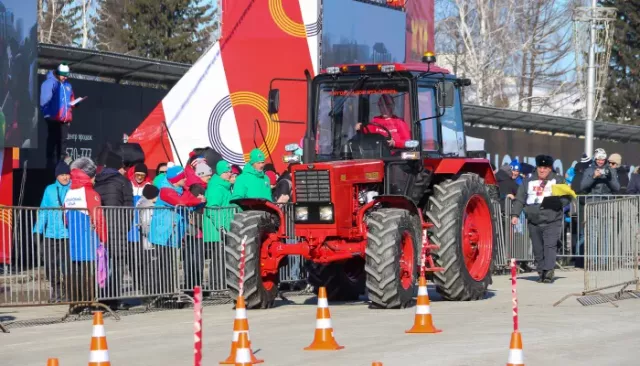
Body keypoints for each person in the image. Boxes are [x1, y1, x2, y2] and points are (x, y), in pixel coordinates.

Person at [511, 155, 571, 284]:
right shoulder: (528, 181)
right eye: (540, 167)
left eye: (545, 168)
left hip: (552, 218)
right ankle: (541, 271)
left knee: (550, 245)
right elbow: (520, 198)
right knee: (538, 248)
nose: (542, 170)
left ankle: (548, 271)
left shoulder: (558, 180)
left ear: (550, 169)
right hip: (534, 219)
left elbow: (567, 197)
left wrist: (559, 203)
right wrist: (515, 215)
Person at [149, 165, 204, 295]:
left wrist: (200, 201)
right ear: (175, 179)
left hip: (174, 233)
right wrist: (197, 201)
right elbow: (181, 202)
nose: (185, 178)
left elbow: (189, 201)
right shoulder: (165, 191)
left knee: (171, 265)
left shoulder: (181, 189)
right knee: (164, 266)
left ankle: (170, 292)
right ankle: (162, 294)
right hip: (162, 234)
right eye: (182, 177)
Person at [63, 157, 107, 309]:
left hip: (74, 241)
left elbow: (65, 219)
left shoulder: (69, 193)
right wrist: (104, 238)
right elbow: (98, 218)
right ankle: (90, 303)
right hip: (89, 240)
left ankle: (75, 304)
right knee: (89, 272)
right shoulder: (90, 193)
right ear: (89, 175)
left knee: (75, 272)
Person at [93, 151, 134, 309]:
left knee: (102, 262)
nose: (124, 169)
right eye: (123, 166)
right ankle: (115, 299)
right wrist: (125, 226)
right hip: (118, 227)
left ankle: (102, 298)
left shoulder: (97, 180)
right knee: (117, 262)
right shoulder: (122, 181)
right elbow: (128, 207)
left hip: (101, 228)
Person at [33, 161, 71, 302]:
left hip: (67, 234)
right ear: (57, 176)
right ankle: (57, 289)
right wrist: (38, 230)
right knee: (50, 264)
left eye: (67, 174)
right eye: (62, 174)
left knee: (67, 265)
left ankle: (68, 290)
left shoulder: (74, 188)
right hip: (51, 234)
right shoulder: (49, 190)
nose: (65, 177)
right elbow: (43, 210)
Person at [199, 160, 235, 293]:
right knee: (218, 259)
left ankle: (221, 284)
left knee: (222, 258)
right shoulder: (216, 187)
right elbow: (212, 208)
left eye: (230, 171)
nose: (229, 173)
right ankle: (217, 285)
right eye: (226, 171)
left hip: (223, 227)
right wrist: (220, 227)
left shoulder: (224, 186)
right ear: (220, 173)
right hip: (216, 230)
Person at [40, 63, 81, 169]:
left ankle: (61, 163)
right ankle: (49, 163)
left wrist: (75, 103)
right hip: (53, 117)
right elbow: (44, 100)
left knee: (63, 141)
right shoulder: (50, 83)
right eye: (63, 75)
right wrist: (49, 113)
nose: (65, 77)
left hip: (65, 118)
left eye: (67, 75)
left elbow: (71, 98)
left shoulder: (68, 85)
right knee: (53, 139)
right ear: (58, 73)